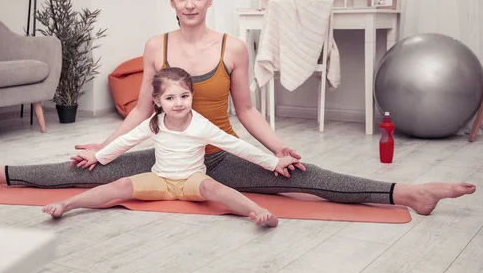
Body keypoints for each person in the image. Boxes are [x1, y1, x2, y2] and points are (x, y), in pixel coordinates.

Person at [0, 0, 476, 216]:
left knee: (302, 178)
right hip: (167, 154)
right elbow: (140, 115)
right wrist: (101, 148)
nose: (190, 3)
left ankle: (404, 192)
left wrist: (276, 150)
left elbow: (246, 111)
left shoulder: (233, 48)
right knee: (83, 171)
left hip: (217, 156)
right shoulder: (157, 46)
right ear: (171, 0)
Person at [42, 67, 306, 227]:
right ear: (157, 101)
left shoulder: (201, 125)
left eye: (184, 96)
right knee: (120, 186)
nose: (178, 103)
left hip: (192, 181)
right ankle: (67, 205)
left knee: (214, 187)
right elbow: (126, 141)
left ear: (192, 95)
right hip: (161, 181)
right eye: (170, 98)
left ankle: (259, 213)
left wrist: (274, 161)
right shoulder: (154, 122)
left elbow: (237, 146)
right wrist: (97, 155)